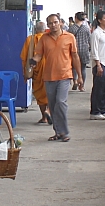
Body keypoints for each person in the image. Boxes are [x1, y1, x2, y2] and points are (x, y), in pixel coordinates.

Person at [30, 13, 82, 142]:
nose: (53, 25)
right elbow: (38, 55)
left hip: (65, 75)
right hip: (48, 76)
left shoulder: (69, 37)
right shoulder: (44, 39)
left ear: (60, 22)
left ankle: (65, 132)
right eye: (50, 23)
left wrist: (79, 76)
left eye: (55, 22)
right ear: (47, 25)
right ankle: (58, 132)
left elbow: (75, 57)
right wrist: (33, 61)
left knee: (61, 102)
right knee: (52, 105)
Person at [21, 19, 51, 124]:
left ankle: (44, 117)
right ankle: (49, 111)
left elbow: (24, 58)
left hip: (36, 71)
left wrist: (25, 73)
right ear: (45, 29)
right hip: (50, 70)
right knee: (51, 93)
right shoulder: (49, 39)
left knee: (39, 94)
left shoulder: (30, 39)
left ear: (35, 29)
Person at [88, 10, 105, 120]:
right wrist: (98, 65)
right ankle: (95, 112)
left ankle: (104, 109)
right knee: (98, 89)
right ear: (99, 20)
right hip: (100, 64)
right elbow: (94, 50)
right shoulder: (96, 33)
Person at [67, 12, 91, 91]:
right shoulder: (86, 28)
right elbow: (89, 40)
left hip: (74, 51)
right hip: (84, 50)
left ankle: (75, 82)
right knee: (83, 68)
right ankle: (82, 86)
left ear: (76, 18)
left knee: (74, 68)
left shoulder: (71, 28)